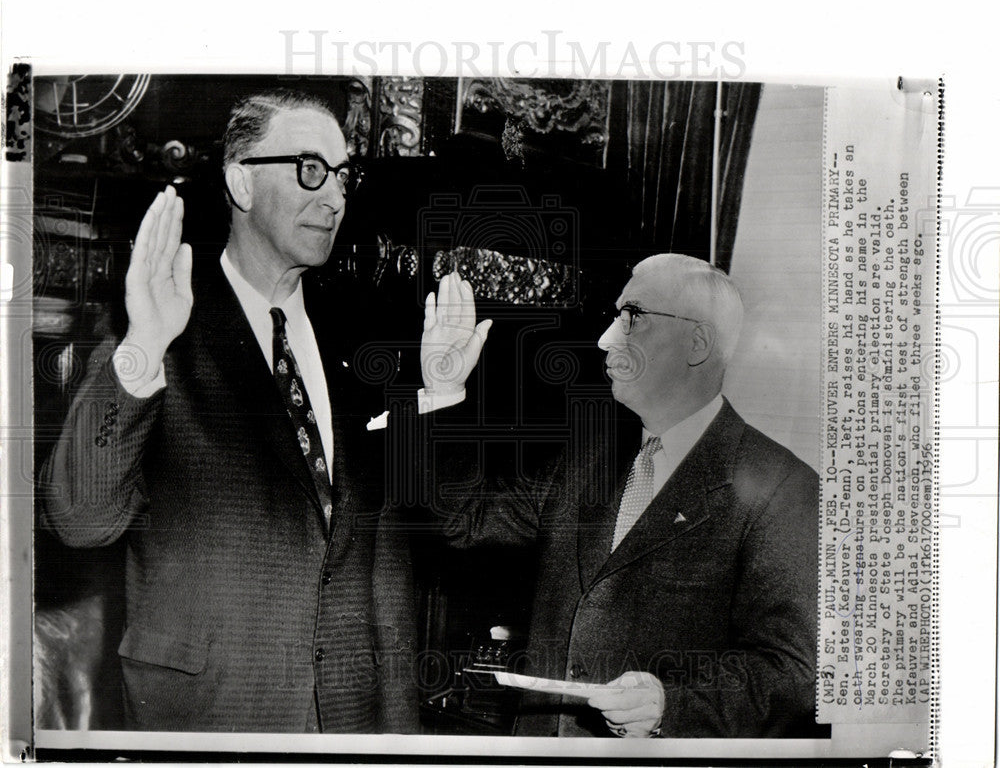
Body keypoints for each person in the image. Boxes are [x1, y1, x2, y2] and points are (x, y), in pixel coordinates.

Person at [39, 89, 451, 733]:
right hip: (212, 719)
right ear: (241, 183)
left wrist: (398, 736)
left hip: (347, 724)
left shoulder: (362, 343)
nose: (335, 197)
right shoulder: (164, 330)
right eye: (311, 170)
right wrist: (145, 344)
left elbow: (389, 569)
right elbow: (81, 519)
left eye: (345, 177)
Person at [419, 254, 819, 738]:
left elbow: (792, 671)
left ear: (697, 343)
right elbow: (461, 519)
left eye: (631, 317)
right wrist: (443, 387)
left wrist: (669, 707)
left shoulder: (781, 487)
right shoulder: (587, 460)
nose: (606, 339)